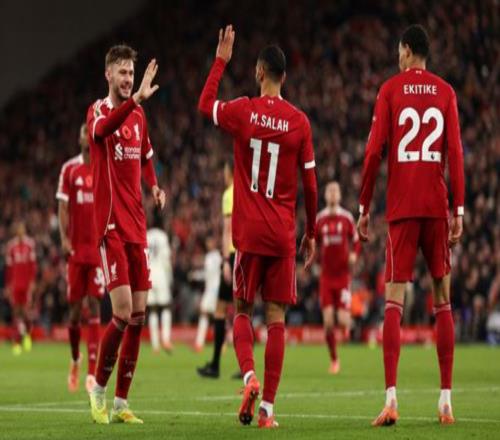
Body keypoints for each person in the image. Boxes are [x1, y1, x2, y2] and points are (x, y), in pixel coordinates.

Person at [198, 25, 318, 428]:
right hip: (282, 235)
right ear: (284, 76)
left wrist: (220, 61)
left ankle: (248, 375)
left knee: (242, 310)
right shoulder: (299, 122)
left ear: (260, 71)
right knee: (276, 318)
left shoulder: (244, 110)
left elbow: (205, 104)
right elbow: (310, 184)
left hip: (248, 235)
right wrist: (311, 232)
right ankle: (267, 410)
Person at [357, 24, 464, 426]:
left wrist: (364, 206)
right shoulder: (446, 91)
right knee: (442, 299)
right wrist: (459, 210)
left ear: (405, 50)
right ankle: (446, 401)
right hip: (436, 206)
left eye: (398, 50)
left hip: (401, 208)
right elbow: (456, 153)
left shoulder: (390, 89)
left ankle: (391, 399)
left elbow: (373, 153)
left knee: (394, 300)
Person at [86, 44, 165, 424]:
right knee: (120, 312)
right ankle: (98, 390)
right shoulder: (98, 111)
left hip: (137, 226)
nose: (128, 78)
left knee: (138, 316)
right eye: (122, 72)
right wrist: (134, 100)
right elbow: (103, 131)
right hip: (110, 225)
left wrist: (155, 186)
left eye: (131, 73)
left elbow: (146, 158)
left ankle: (121, 403)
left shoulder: (139, 116)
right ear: (108, 75)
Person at [57, 123, 105, 393]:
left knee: (95, 305)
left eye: (90, 133)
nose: (87, 138)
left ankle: (91, 372)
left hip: (97, 251)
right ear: (79, 139)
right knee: (75, 312)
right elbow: (63, 207)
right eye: (84, 134)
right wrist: (64, 239)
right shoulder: (70, 169)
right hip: (75, 251)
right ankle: (76, 359)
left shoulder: (102, 167)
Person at [197, 161, 240, 379]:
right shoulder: (246, 192)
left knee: (221, 311)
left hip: (232, 255)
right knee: (243, 311)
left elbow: (227, 230)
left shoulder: (229, 194)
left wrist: (225, 261)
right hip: (246, 255)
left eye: (224, 171)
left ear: (229, 173)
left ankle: (215, 365)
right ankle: (246, 367)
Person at [315, 181, 359, 374]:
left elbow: (356, 240)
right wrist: (314, 259)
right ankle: (334, 360)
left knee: (342, 320)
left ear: (339, 195)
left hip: (342, 277)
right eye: (329, 191)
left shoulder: (347, 218)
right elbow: (313, 243)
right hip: (326, 277)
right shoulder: (320, 219)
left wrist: (354, 254)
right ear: (325, 195)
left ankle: (349, 324)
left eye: (335, 191)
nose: (332, 194)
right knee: (327, 323)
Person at [5, 222, 37, 355]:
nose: (20, 231)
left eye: (22, 229)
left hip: (26, 284)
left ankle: (27, 336)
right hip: (15, 285)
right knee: (16, 313)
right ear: (16, 231)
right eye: (18, 229)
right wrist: (8, 285)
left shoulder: (30, 245)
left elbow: (33, 266)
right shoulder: (11, 246)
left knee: (26, 312)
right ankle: (16, 342)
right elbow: (9, 268)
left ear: (24, 231)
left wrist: (32, 283)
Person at [146, 213, 173, 353]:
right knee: (166, 307)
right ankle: (166, 339)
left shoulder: (147, 235)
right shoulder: (163, 236)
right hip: (161, 274)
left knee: (153, 309)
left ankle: (155, 345)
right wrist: (170, 277)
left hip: (150, 274)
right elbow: (166, 259)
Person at [194, 236, 222, 351]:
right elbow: (207, 274)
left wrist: (196, 275)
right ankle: (200, 343)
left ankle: (202, 343)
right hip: (211, 289)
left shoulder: (215, 256)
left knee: (212, 315)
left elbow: (214, 274)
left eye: (210, 242)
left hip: (213, 290)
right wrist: (196, 275)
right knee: (210, 315)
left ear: (214, 243)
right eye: (207, 242)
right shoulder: (212, 256)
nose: (208, 244)